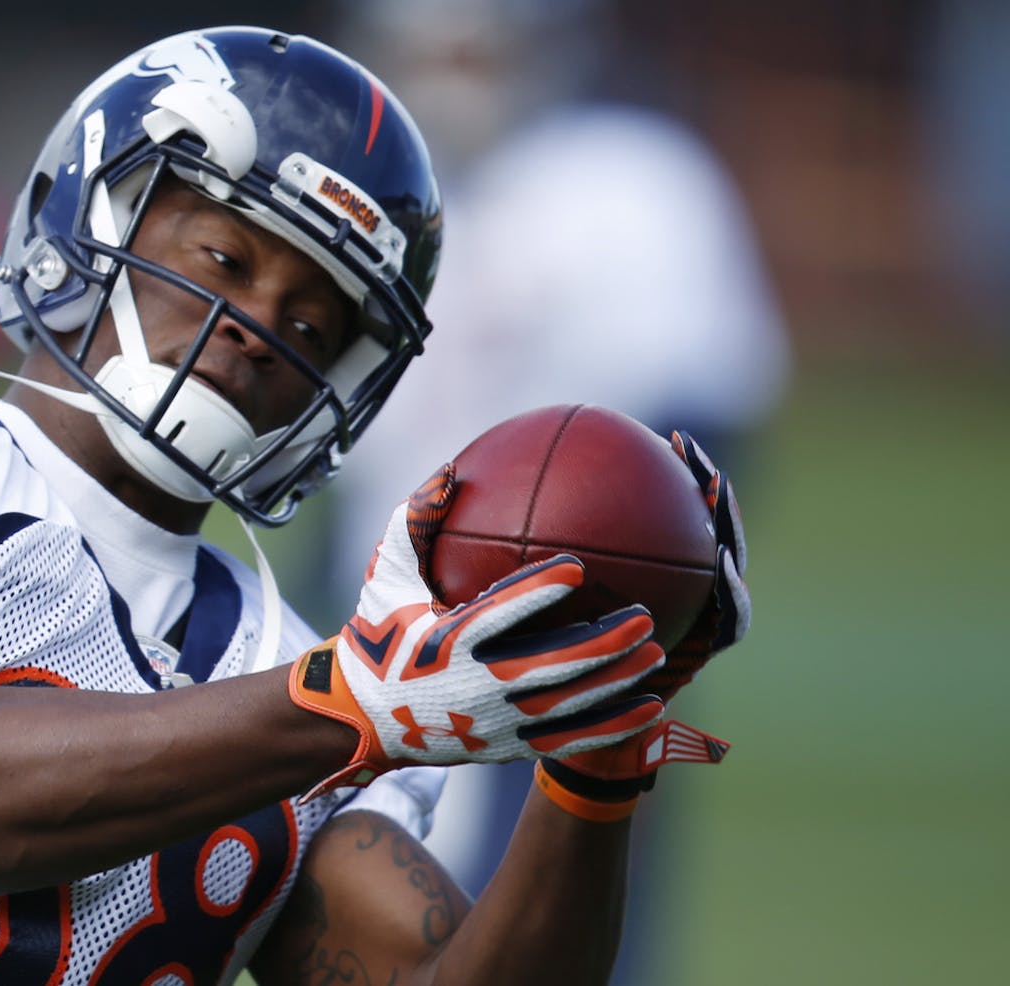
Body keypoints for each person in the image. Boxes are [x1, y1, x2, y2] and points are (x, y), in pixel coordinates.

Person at [0, 26, 751, 985]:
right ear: (96, 213)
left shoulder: (289, 662)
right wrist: (349, 705)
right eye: (225, 263)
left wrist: (592, 768)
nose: (252, 331)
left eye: (310, 325)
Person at [323, 4, 787, 977]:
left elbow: (710, 416)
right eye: (432, 54)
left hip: (574, 631)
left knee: (565, 917)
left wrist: (619, 587)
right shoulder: (363, 197)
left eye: (475, 52)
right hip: (387, 635)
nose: (455, 79)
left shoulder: (631, 184)